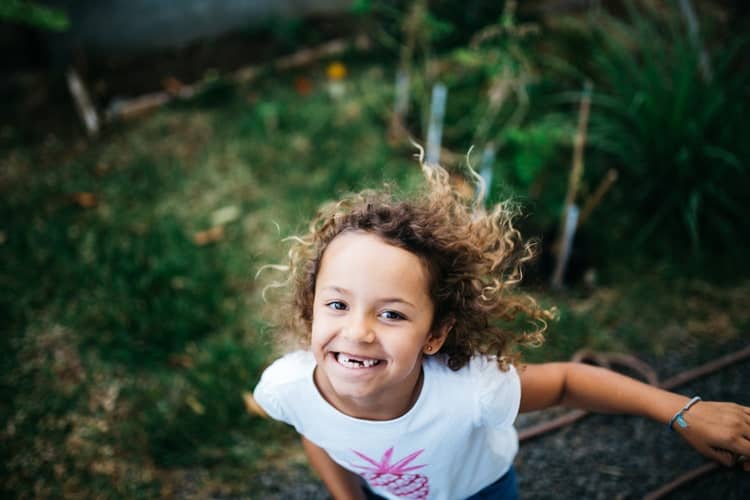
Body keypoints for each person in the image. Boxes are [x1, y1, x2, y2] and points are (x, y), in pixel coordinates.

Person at [252, 156, 750, 499]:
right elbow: (314, 429)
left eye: (392, 314)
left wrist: (683, 412)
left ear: (435, 334)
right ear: (310, 306)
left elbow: (566, 383)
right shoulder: (287, 388)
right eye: (338, 304)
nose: (358, 332)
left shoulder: (473, 393)